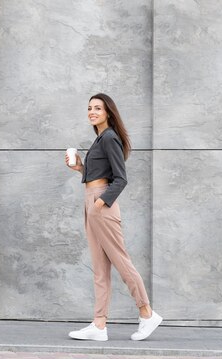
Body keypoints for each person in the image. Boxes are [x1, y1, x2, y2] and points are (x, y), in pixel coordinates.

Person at [64, 93, 162, 341]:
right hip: (92, 200)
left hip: (101, 203)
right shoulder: (99, 139)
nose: (92, 112)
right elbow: (98, 174)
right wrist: (80, 169)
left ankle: (147, 313)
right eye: (89, 108)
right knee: (99, 268)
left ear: (108, 112)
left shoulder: (109, 138)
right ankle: (99, 325)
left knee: (120, 260)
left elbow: (121, 178)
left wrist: (100, 202)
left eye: (98, 108)